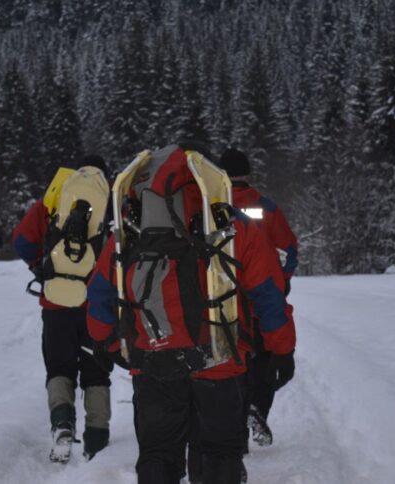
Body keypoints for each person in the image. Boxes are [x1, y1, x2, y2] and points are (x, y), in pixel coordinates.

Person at [86, 144, 296, 483]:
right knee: (218, 455)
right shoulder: (233, 225)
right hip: (220, 362)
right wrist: (282, 350)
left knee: (158, 456)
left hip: (153, 363)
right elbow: (268, 296)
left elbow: (99, 294)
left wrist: (107, 344)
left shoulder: (129, 232)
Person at [12, 155, 113, 462]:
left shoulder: (53, 202)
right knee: (97, 372)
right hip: (97, 305)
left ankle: (62, 427)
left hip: (56, 304)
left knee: (59, 369)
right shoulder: (110, 206)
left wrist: (44, 269)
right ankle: (97, 440)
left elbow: (22, 241)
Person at [217, 148, 299, 448]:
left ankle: (236, 428)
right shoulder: (266, 206)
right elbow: (289, 248)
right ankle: (257, 408)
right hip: (262, 295)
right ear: (248, 173)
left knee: (232, 365)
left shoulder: (211, 206)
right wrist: (284, 279)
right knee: (266, 360)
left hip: (224, 300)